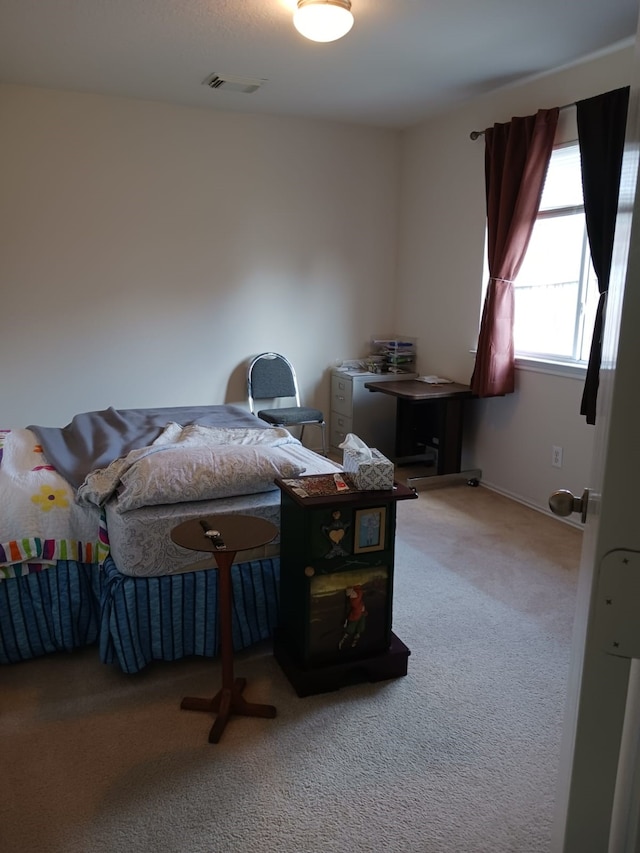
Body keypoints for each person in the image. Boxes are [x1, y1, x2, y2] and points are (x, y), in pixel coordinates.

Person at [338, 585, 367, 649]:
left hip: (360, 613)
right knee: (351, 628)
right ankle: (345, 639)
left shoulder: (357, 595)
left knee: (359, 627)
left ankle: (354, 638)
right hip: (356, 614)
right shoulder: (354, 600)